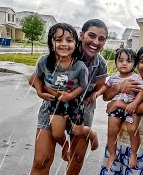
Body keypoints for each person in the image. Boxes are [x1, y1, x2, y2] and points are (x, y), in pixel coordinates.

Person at [29, 19, 108, 175]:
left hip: (81, 112)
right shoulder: (62, 51)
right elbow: (33, 78)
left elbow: (100, 88)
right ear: (81, 35)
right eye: (91, 36)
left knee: (76, 159)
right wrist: (43, 90)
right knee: (41, 161)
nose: (95, 42)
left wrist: (91, 97)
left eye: (101, 39)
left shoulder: (100, 64)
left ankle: (89, 134)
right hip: (52, 108)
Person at [100, 45, 143, 175]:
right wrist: (118, 87)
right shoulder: (128, 78)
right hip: (116, 140)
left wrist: (117, 104)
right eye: (142, 62)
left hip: (138, 143)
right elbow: (106, 97)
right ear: (136, 63)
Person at [96, 48, 143, 169]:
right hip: (115, 109)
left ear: (134, 64)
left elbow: (141, 92)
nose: (124, 63)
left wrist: (134, 104)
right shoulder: (113, 77)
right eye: (120, 60)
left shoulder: (136, 77)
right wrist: (97, 93)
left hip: (129, 108)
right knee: (111, 131)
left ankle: (133, 154)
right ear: (116, 62)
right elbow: (105, 88)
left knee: (133, 130)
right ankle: (112, 154)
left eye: (128, 61)